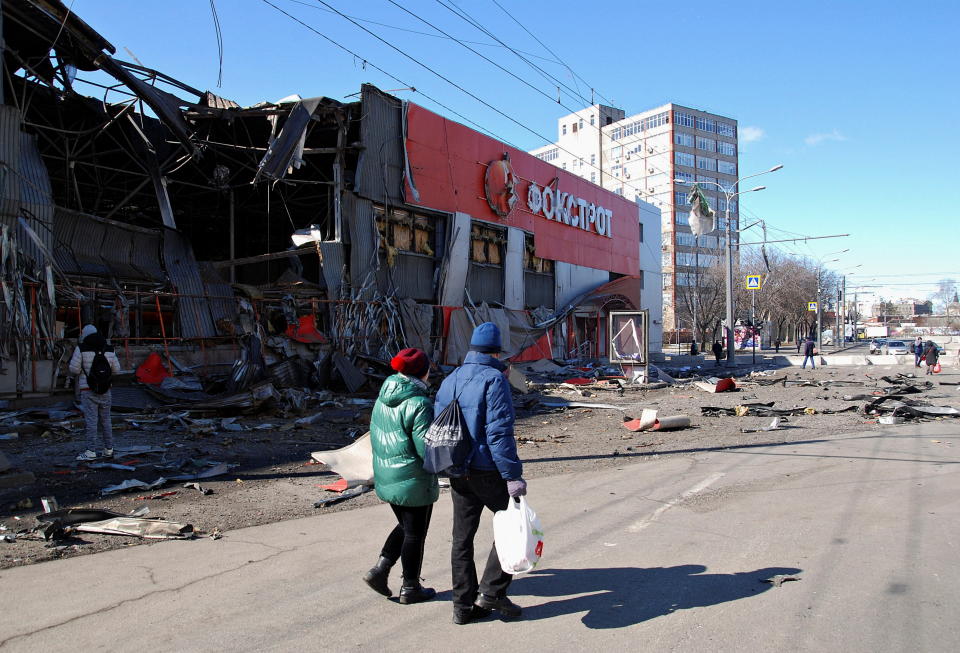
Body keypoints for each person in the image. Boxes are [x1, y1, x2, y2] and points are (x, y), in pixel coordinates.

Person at [435, 322, 526, 625]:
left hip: (457, 468)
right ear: (497, 350)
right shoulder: (494, 379)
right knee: (514, 528)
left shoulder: (451, 378)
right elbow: (499, 434)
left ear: (472, 348)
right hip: (487, 469)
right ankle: (492, 591)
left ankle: (462, 607)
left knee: (462, 539)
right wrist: (512, 476)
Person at [363, 348, 439, 604]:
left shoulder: (385, 394)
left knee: (407, 527)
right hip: (412, 478)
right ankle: (410, 587)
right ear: (422, 371)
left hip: (387, 473)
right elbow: (425, 449)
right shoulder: (419, 403)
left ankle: (380, 570)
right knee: (415, 532)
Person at [69, 324, 121, 460]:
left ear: (84, 334)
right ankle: (109, 449)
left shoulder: (81, 348)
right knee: (106, 420)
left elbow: (74, 369)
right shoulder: (109, 349)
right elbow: (116, 370)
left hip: (88, 389)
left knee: (91, 421)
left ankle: (91, 451)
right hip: (106, 390)